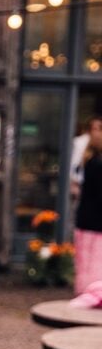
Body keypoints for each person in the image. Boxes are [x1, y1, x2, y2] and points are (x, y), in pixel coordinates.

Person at [74, 115, 102, 295]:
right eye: (93, 128)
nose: (94, 132)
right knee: (90, 263)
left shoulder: (91, 159)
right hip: (92, 220)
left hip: (91, 220)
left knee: (92, 263)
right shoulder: (92, 160)